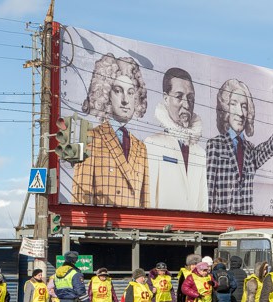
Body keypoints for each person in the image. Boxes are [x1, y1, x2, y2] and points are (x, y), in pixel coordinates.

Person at [73, 53, 149, 208]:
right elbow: (81, 194)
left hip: (133, 222)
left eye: (130, 92)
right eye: (118, 90)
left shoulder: (141, 148)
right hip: (103, 220)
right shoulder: (91, 138)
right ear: (106, 93)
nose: (125, 100)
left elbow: (145, 201)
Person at [206, 79, 273, 214]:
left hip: (247, 222)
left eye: (244, 106)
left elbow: (270, 146)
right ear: (225, 108)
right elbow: (208, 191)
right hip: (222, 223)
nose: (240, 113)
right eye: (233, 104)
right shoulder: (214, 145)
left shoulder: (250, 150)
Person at [144, 67, 207, 211]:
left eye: (190, 98)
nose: (186, 105)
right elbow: (149, 199)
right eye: (179, 97)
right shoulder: (152, 144)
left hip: (192, 224)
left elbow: (203, 204)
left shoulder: (200, 153)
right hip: (163, 224)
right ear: (166, 98)